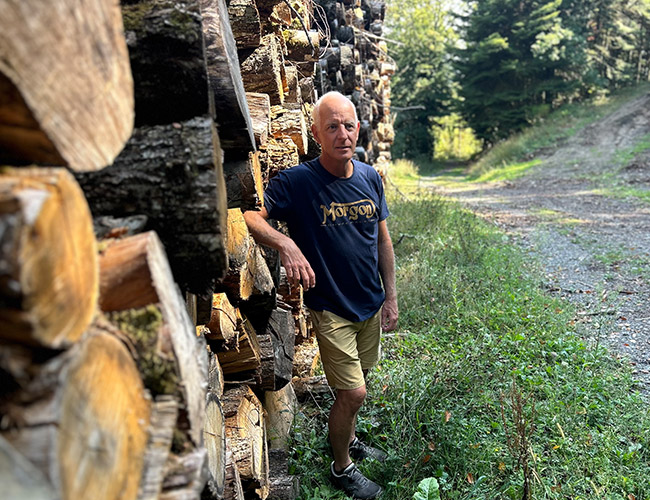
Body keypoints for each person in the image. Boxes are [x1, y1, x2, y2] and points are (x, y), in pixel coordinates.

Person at [243, 91, 398, 499]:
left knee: (359, 382)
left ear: (358, 129)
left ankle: (348, 439)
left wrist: (391, 297)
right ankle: (342, 468)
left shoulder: (368, 177)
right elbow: (249, 216)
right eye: (332, 127)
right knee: (354, 392)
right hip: (331, 308)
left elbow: (383, 241)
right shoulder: (298, 183)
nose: (342, 134)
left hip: (369, 303)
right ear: (316, 133)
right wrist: (287, 245)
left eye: (348, 125)